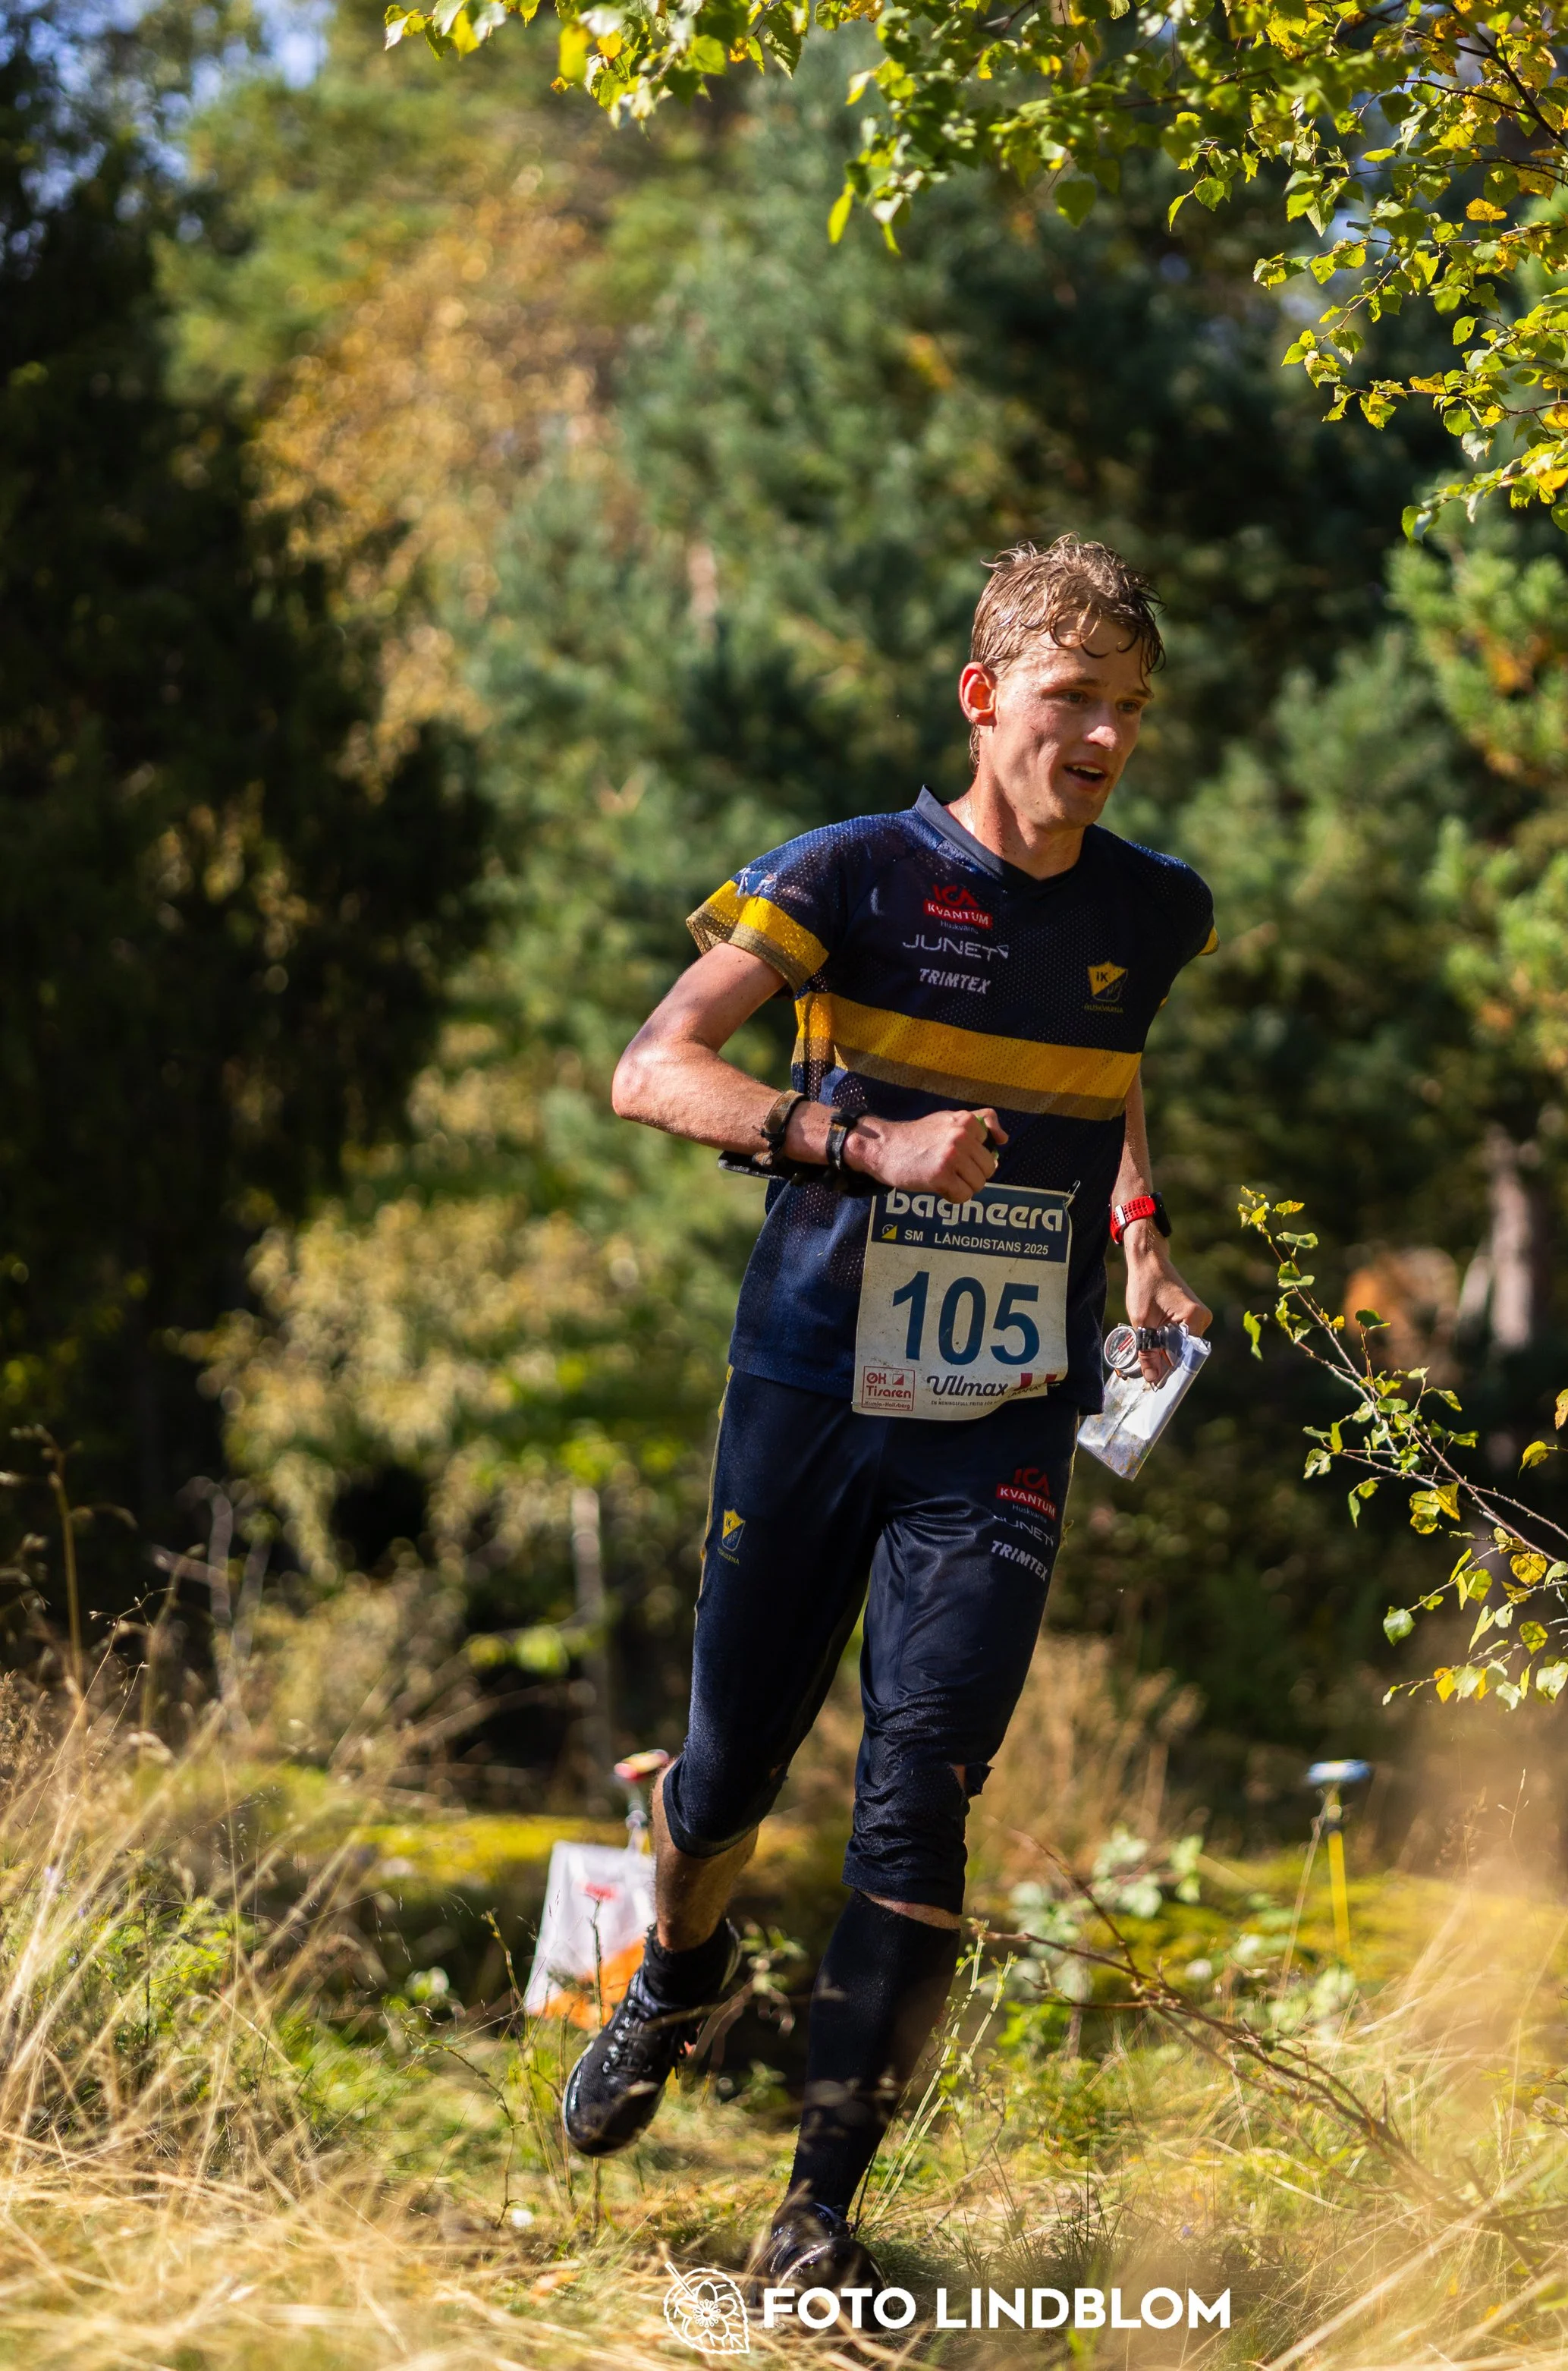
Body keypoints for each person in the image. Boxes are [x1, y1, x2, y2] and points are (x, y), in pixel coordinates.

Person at [564, 534, 1216, 2288]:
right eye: (1073, 698)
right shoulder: (846, 873)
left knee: (922, 1787)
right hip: (809, 1373)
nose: (1101, 739)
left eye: (1131, 711)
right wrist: (863, 1143)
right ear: (984, 692)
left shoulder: (1155, 907)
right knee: (724, 1774)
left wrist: (1138, 1234)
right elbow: (652, 1069)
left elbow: (1104, 1064)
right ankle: (676, 1972)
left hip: (1003, 1400)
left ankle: (818, 2213)